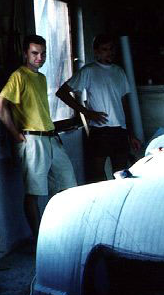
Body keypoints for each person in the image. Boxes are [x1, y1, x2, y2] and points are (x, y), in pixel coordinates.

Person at [0, 34, 77, 239]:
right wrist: (16, 134)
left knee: (68, 184)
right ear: (25, 54)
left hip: (50, 137)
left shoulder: (41, 78)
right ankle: (39, 240)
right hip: (32, 140)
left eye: (43, 54)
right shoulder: (19, 76)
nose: (39, 58)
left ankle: (61, 234)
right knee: (34, 192)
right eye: (35, 53)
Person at [55, 34, 141, 183]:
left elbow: (124, 104)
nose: (109, 53)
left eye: (111, 49)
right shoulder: (88, 71)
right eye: (104, 49)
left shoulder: (119, 72)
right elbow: (62, 92)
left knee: (121, 175)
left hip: (120, 130)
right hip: (100, 131)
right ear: (96, 52)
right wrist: (86, 112)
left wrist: (131, 134)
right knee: (97, 175)